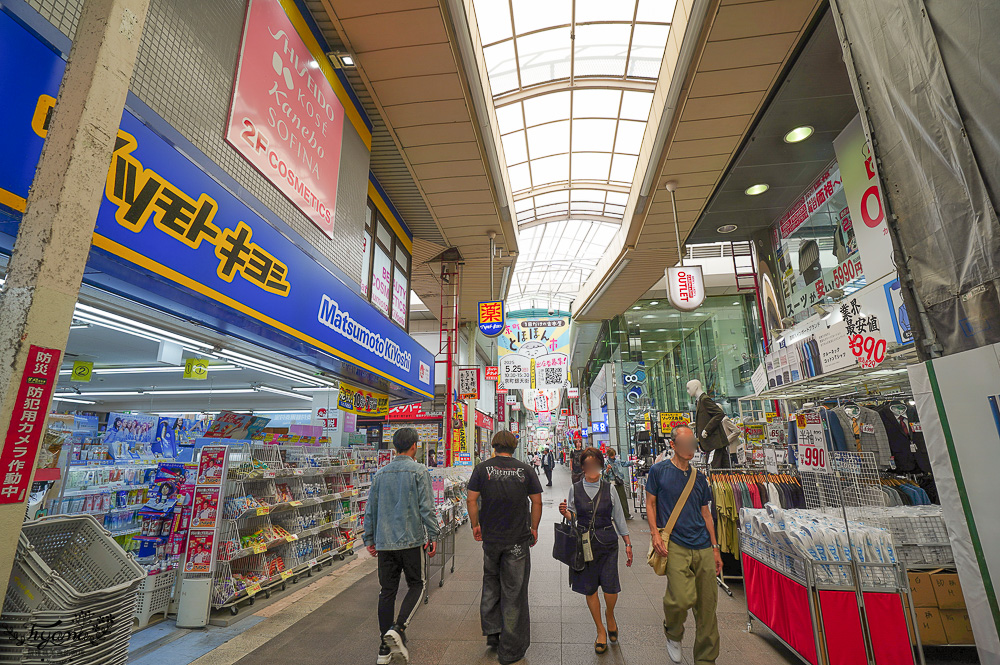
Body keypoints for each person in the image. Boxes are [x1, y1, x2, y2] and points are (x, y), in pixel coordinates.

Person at [645, 425, 722, 665]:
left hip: (702, 544)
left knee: (707, 606)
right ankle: (673, 631)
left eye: (694, 445)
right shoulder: (658, 471)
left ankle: (706, 659)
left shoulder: (699, 478)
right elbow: (650, 503)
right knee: (680, 597)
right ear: (674, 445)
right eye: (687, 444)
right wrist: (655, 535)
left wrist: (715, 546)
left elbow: (706, 513)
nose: (691, 449)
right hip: (675, 542)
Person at [363, 428, 440, 665]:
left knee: (387, 591)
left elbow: (370, 509)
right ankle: (399, 627)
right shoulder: (419, 471)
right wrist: (434, 533)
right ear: (415, 445)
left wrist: (369, 538)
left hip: (385, 542)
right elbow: (426, 507)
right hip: (411, 540)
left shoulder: (380, 474)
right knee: (417, 585)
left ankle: (384, 649)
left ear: (395, 446)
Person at [467, 431, 543, 665]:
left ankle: (492, 631)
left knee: (491, 581)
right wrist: (534, 527)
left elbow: (471, 499)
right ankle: (510, 650)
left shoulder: (482, 469)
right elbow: (537, 501)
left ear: (494, 445)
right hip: (517, 539)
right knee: (514, 591)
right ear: (514, 446)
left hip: (491, 538)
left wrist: (475, 524)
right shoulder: (525, 469)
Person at [559, 447, 632, 654]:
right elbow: (574, 516)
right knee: (590, 588)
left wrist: (628, 544)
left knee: (610, 588)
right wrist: (566, 513)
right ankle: (600, 630)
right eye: (587, 465)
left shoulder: (609, 489)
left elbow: (618, 517)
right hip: (584, 545)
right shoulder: (575, 488)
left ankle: (610, 614)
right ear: (582, 467)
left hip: (608, 543)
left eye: (595, 464)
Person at [603, 448, 632, 520]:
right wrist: (607, 469)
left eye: (614, 455)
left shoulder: (617, 461)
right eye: (612, 455)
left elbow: (625, 463)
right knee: (612, 500)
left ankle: (626, 514)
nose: (613, 457)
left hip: (619, 482)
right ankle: (612, 515)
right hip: (611, 483)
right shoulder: (606, 463)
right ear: (608, 455)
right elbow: (604, 474)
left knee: (623, 499)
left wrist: (634, 462)